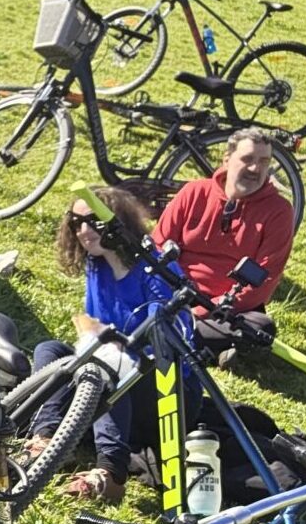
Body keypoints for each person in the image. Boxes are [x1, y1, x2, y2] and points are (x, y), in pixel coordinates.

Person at [25, 188, 201, 504]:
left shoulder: (155, 268)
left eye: (92, 221)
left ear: (117, 222)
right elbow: (97, 328)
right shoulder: (98, 266)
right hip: (110, 375)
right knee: (49, 350)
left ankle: (111, 473)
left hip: (165, 390)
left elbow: (165, 341)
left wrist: (111, 349)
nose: (83, 231)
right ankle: (44, 441)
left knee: (110, 364)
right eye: (76, 223)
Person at [154, 126, 296, 365]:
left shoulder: (279, 211)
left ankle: (178, 338)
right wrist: (174, 300)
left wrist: (206, 310)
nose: (255, 169)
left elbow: (265, 280)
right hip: (175, 295)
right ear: (227, 159)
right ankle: (205, 346)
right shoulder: (194, 192)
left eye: (264, 161)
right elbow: (158, 247)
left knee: (260, 327)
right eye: (247, 159)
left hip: (227, 310)